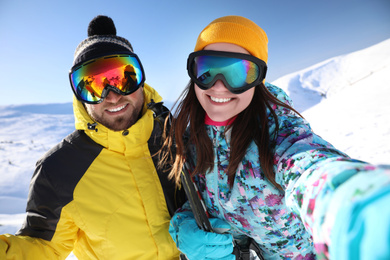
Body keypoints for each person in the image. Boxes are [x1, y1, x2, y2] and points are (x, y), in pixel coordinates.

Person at [162, 15, 390, 260]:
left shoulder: (279, 134)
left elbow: (309, 167)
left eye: (238, 73)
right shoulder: (189, 139)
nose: (219, 86)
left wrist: (355, 205)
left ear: (257, 80)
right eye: (207, 70)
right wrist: (183, 225)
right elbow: (199, 196)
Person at [0, 15, 185, 259]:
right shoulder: (60, 169)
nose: (112, 96)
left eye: (123, 79)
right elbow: (44, 247)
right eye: (94, 86)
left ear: (141, 80)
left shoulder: (177, 136)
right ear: (80, 97)